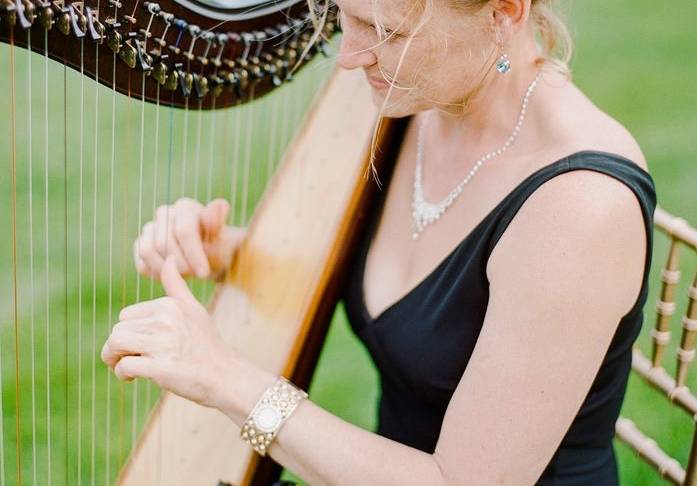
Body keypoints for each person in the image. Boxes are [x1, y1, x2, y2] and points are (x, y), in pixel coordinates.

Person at [101, 0, 657, 484]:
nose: (349, 56)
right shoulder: (422, 105)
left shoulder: (580, 206)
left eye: (386, 31)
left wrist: (226, 379)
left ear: (503, 13)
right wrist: (233, 253)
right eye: (344, 18)